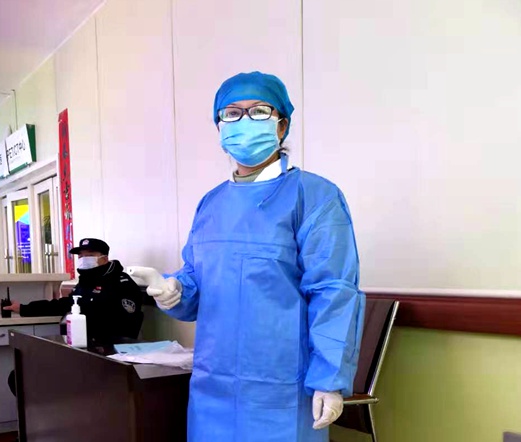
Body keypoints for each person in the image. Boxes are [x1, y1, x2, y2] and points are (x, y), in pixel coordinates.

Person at [131, 72, 365, 442]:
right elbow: (198, 283)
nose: (244, 121)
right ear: (219, 127)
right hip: (213, 386)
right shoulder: (211, 204)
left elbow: (334, 291)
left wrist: (329, 379)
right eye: (232, 113)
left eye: (258, 111)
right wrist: (173, 290)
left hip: (283, 389)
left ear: (282, 124)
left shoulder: (314, 197)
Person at [4, 238, 143, 342]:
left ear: (104, 258)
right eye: (81, 256)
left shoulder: (121, 283)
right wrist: (24, 308)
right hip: (83, 344)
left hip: (111, 349)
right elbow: (66, 304)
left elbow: (126, 323)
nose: (83, 259)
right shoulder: (86, 281)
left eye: (90, 255)